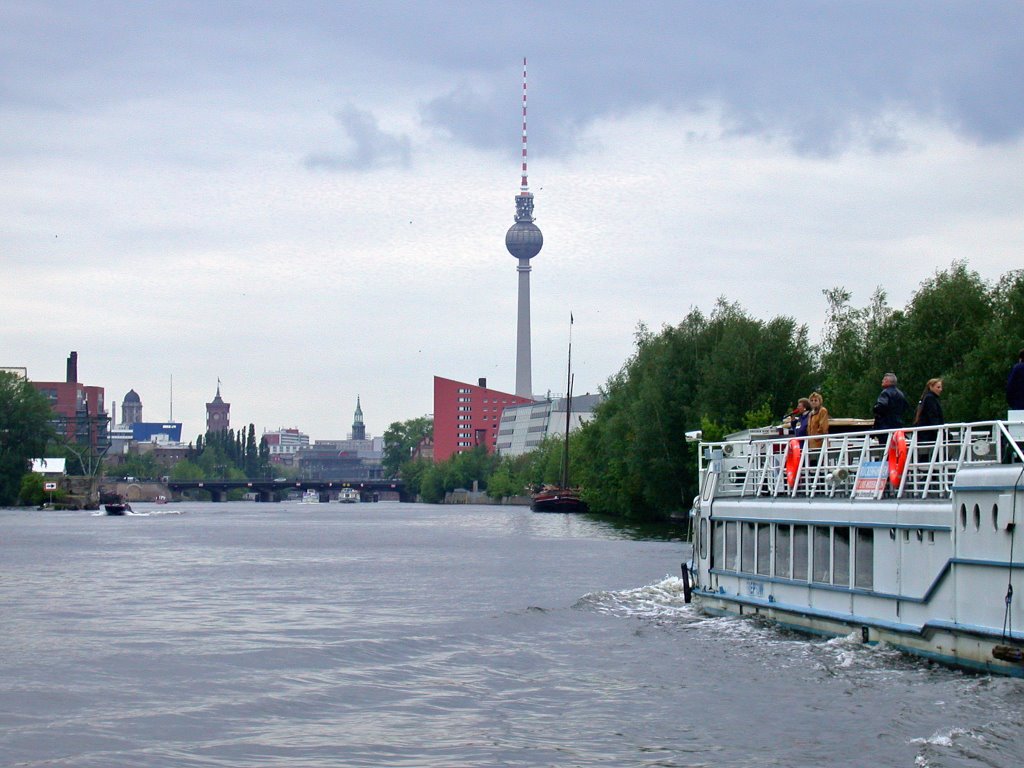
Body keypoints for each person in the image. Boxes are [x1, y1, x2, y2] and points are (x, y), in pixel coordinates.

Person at [913, 378, 944, 446]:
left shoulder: (926, 397)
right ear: (931, 387)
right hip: (929, 435)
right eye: (938, 387)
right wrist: (940, 432)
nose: (940, 389)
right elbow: (933, 416)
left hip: (925, 434)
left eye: (941, 387)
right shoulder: (930, 398)